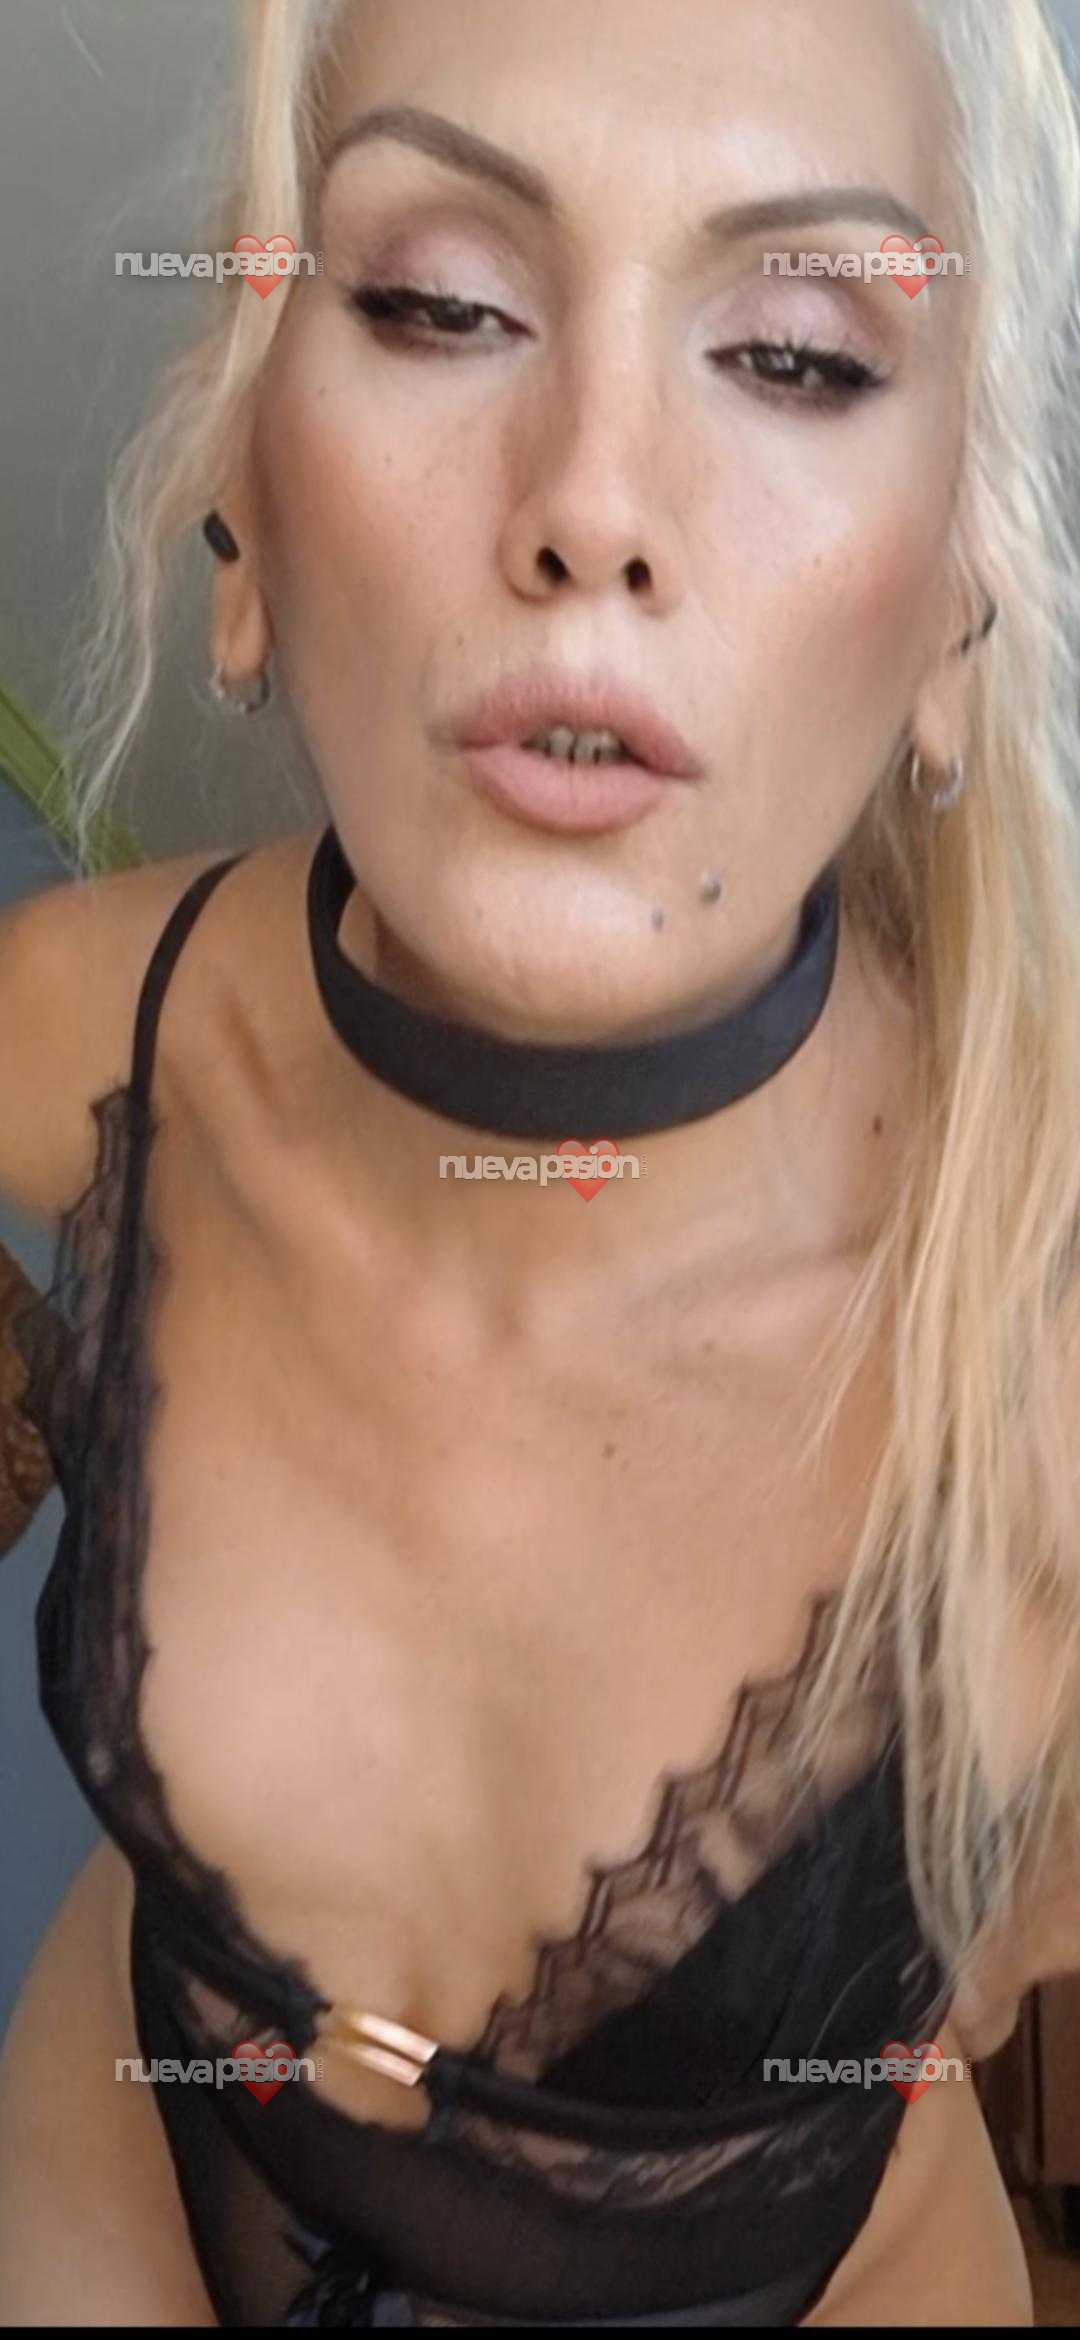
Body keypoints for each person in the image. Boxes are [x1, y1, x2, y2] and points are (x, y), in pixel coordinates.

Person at [1, 0, 1078, 2322]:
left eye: (795, 354)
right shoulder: (77, 1035)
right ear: (249, 495)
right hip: (123, 2176)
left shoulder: (1046, 1322)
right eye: (437, 304)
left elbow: (1012, 1959)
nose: (593, 500)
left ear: (951, 609)